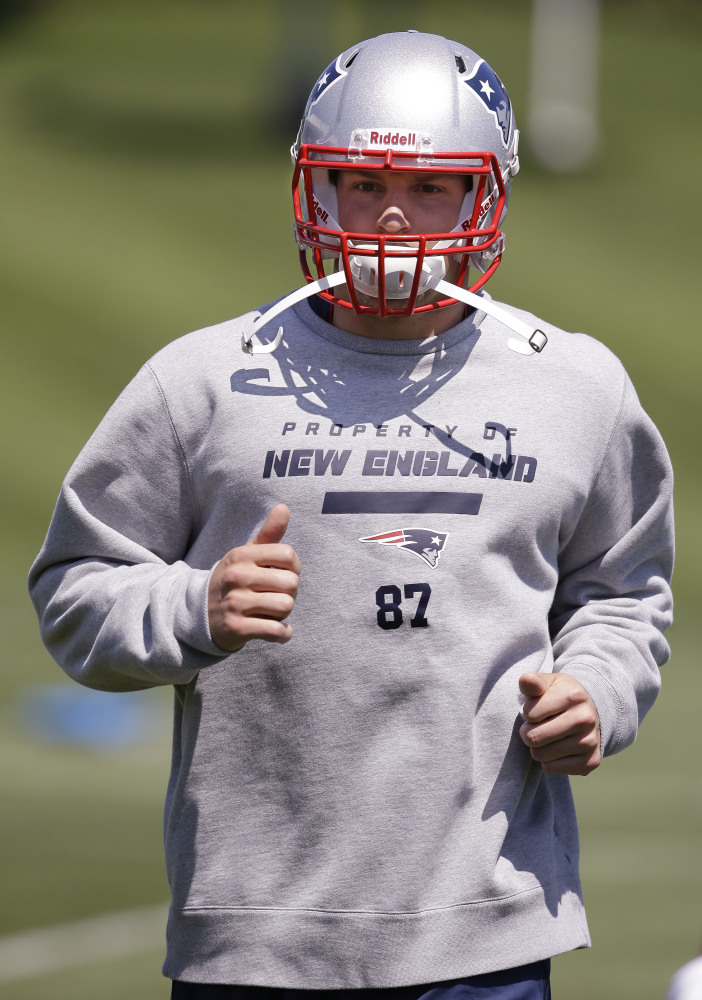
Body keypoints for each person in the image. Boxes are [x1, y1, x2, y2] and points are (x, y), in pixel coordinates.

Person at [29, 31, 674, 1000]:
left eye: (430, 187)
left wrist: (597, 688)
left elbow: (624, 593)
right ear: (313, 189)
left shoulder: (576, 386)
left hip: (484, 931)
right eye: (360, 182)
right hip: (254, 933)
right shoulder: (202, 380)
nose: (392, 217)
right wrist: (194, 605)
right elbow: (73, 589)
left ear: (487, 195)